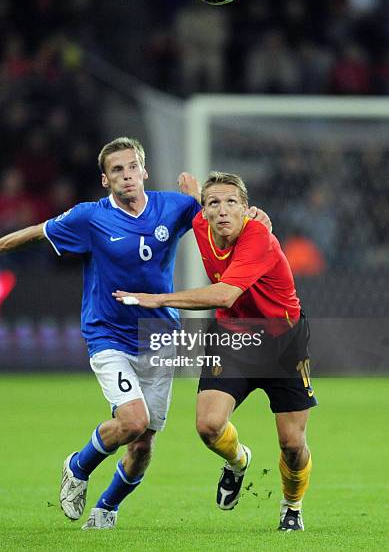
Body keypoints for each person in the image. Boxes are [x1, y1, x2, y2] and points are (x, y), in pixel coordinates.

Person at [0, 139, 270, 530]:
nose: (127, 176)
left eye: (133, 167)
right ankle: (77, 466)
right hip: (108, 334)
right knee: (132, 420)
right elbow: (40, 232)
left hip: (160, 335)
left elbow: (221, 214)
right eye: (117, 170)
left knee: (143, 444)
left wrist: (255, 218)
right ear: (105, 179)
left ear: (144, 171)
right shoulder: (89, 218)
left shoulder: (174, 206)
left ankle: (106, 509)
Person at [114, 171, 317, 532]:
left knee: (291, 443)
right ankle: (239, 461)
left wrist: (158, 299)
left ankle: (292, 505)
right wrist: (194, 192)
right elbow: (196, 199)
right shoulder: (202, 222)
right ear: (205, 212)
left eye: (231, 203)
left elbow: (224, 294)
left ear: (246, 209)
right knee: (208, 425)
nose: (222, 211)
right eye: (214, 204)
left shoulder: (259, 238)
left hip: (282, 342)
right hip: (233, 336)